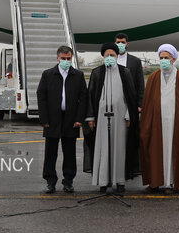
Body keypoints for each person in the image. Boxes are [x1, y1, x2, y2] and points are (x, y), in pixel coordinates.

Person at [140, 44, 179, 194]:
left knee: (175, 151)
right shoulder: (154, 77)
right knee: (156, 151)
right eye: (161, 58)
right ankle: (156, 181)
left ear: (173, 59)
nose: (163, 61)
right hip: (158, 122)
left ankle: (171, 183)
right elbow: (148, 102)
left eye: (166, 58)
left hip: (177, 122)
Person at [83, 42, 139, 194]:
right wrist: (90, 118)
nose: (109, 58)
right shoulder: (97, 72)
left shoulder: (125, 72)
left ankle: (120, 181)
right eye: (107, 55)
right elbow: (90, 95)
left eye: (112, 55)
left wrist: (129, 115)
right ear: (103, 56)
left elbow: (131, 97)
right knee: (103, 149)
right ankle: (103, 182)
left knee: (119, 149)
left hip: (120, 119)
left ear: (117, 56)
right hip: (101, 119)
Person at [37, 45, 87, 193]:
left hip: (71, 119)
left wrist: (79, 118)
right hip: (52, 119)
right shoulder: (47, 74)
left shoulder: (78, 75)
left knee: (70, 152)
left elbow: (83, 98)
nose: (66, 61)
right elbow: (41, 97)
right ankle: (50, 181)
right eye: (63, 58)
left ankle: (68, 181)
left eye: (68, 58)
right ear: (57, 58)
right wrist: (44, 118)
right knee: (50, 152)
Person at [115, 33, 145, 112]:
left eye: (122, 42)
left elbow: (140, 83)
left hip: (130, 100)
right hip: (115, 100)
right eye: (118, 42)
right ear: (115, 44)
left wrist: (140, 103)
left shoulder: (135, 61)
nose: (120, 44)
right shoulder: (111, 60)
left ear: (127, 44)